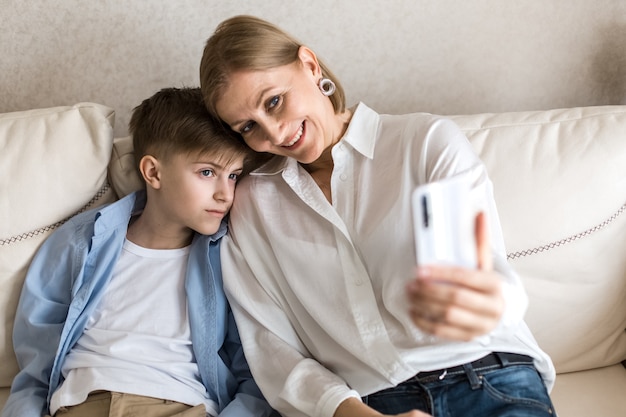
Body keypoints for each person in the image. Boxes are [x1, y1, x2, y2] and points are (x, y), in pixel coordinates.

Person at [198, 15, 557, 417]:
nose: (275, 135)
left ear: (310, 66)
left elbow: (483, 274)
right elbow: (272, 349)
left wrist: (484, 301)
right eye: (249, 126)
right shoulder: (253, 204)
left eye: (274, 101)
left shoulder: (422, 144)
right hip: (368, 404)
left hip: (487, 377)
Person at [1, 87, 277, 417]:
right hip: (86, 402)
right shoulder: (81, 242)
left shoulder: (230, 255)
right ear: (153, 172)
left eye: (233, 176)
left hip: (181, 404)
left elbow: (255, 368)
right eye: (207, 172)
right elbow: (37, 353)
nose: (225, 193)